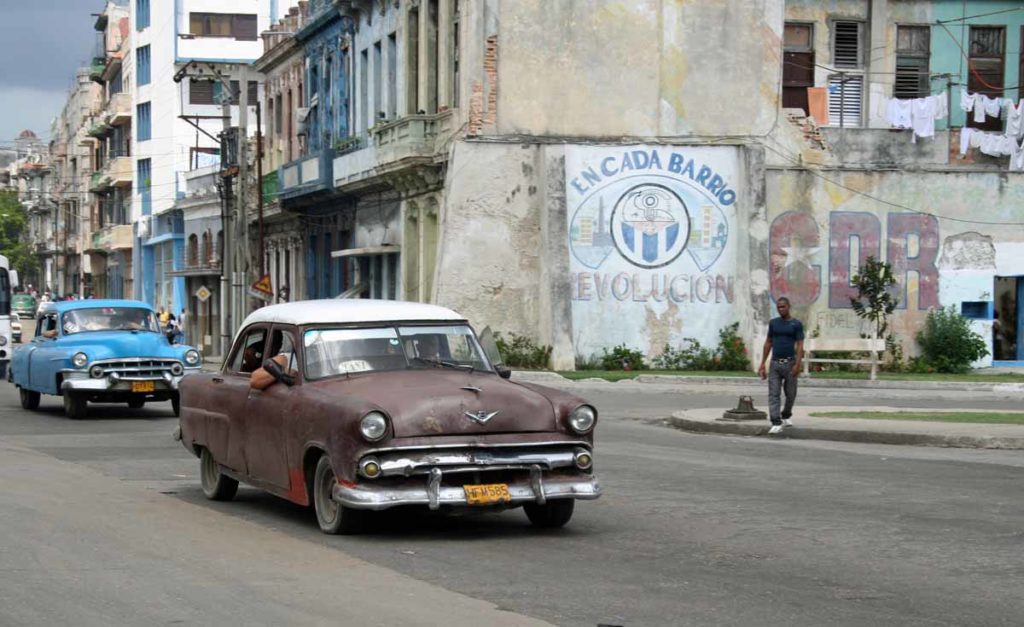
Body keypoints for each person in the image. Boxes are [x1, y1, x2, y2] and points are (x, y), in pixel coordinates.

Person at [757, 296, 805, 435]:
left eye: (783, 307)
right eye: (778, 307)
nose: (780, 309)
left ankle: (786, 414)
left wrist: (797, 364)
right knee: (774, 394)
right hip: (775, 363)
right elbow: (768, 342)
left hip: (790, 363)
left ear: (788, 307)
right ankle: (775, 421)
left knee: (791, 394)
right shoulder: (773, 323)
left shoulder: (796, 324)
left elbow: (800, 345)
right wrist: (762, 364)